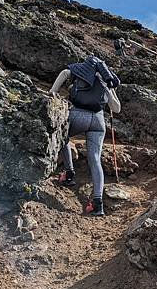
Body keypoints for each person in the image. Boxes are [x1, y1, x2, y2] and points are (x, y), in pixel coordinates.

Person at [50, 55, 121, 216]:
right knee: (95, 158)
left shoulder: (80, 69)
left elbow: (64, 73)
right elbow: (116, 109)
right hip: (98, 120)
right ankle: (97, 204)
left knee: (63, 137)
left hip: (77, 114)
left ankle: (69, 174)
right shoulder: (106, 79)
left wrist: (53, 92)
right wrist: (109, 90)